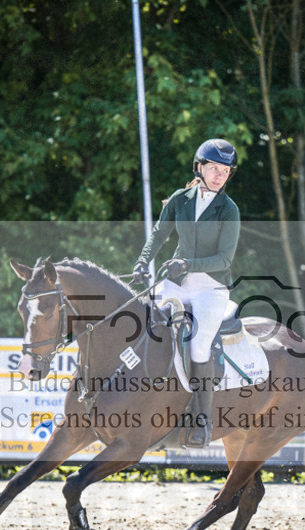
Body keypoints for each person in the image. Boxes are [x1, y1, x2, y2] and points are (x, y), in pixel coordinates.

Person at [132, 138, 240, 447]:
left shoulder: (228, 210)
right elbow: (159, 234)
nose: (220, 176)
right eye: (214, 169)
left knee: (198, 348)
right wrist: (142, 262)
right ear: (200, 168)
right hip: (177, 284)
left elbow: (225, 259)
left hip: (211, 288)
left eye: (225, 171)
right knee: (145, 326)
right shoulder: (180, 199)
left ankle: (201, 419)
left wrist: (188, 263)